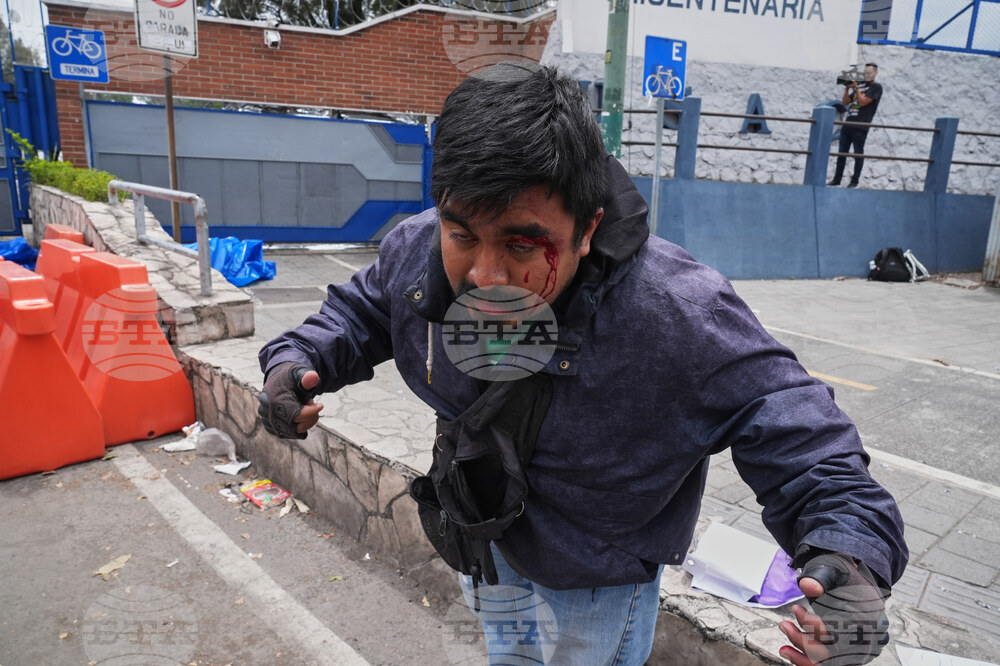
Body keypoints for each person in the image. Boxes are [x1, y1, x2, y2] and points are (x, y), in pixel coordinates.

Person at [258, 62, 907, 665]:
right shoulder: (415, 249)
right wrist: (296, 360)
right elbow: (362, 310)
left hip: (600, 581)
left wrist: (851, 554)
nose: (484, 275)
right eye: (462, 234)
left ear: (587, 228)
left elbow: (800, 430)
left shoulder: (680, 311)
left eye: (520, 243)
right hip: (480, 540)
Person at [829, 63, 883, 188]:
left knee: (858, 153)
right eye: (865, 73)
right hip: (848, 124)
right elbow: (845, 102)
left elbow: (863, 102)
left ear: (875, 73)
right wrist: (847, 88)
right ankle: (837, 179)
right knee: (842, 153)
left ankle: (854, 181)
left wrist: (856, 88)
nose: (867, 75)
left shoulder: (876, 87)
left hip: (860, 125)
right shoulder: (860, 86)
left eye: (869, 73)